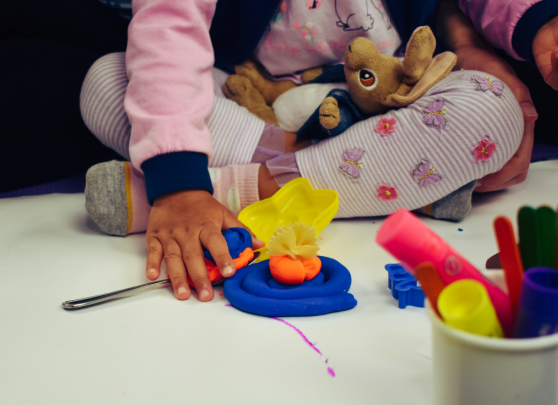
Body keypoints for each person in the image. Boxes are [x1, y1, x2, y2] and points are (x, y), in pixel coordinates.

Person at [80, 0, 558, 303]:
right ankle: (404, 189)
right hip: (255, 106)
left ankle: (232, 190)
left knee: (493, 107)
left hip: (390, 112)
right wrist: (178, 178)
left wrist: (541, 21)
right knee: (108, 80)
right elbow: (168, 26)